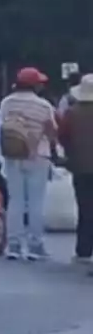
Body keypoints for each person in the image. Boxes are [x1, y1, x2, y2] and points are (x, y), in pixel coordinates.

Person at [0, 66, 58, 260]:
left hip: (13, 155)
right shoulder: (44, 106)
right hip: (38, 156)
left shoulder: (7, 102)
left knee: (15, 201)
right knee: (35, 202)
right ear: (35, 85)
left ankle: (13, 245)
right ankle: (35, 245)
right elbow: (51, 132)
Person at [59, 73, 93, 265]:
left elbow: (62, 136)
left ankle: (84, 250)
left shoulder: (72, 112)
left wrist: (71, 152)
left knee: (85, 207)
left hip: (80, 166)